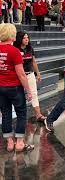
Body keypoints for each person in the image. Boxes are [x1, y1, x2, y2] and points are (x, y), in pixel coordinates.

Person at [0, 23, 32, 152]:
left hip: (1, 87)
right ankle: (19, 142)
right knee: (21, 113)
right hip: (14, 87)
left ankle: (9, 142)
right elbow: (21, 74)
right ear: (12, 36)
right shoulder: (15, 51)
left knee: (6, 114)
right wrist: (28, 91)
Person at [13, 31, 46, 121]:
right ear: (20, 39)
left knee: (34, 94)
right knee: (17, 96)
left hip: (29, 74)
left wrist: (38, 73)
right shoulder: (15, 49)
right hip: (18, 76)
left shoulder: (30, 48)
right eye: (24, 38)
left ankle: (38, 115)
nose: (27, 39)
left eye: (27, 37)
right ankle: (18, 116)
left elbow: (33, 62)